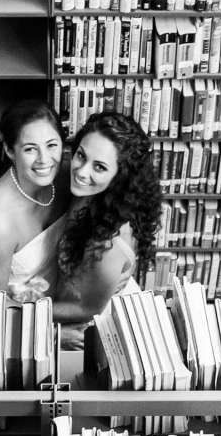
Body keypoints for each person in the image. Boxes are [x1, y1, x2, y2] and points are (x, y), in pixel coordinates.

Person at [46, 109, 161, 336]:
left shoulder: (110, 245)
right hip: (63, 299)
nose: (80, 171)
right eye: (81, 155)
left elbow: (87, 309)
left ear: (120, 176)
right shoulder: (91, 193)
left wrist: (24, 311)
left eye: (99, 167)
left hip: (84, 324)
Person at [0, 98, 68, 307]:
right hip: (7, 313)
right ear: (10, 151)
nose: (44, 160)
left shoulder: (68, 175)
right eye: (30, 149)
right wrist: (52, 329)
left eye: (51, 145)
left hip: (56, 296)